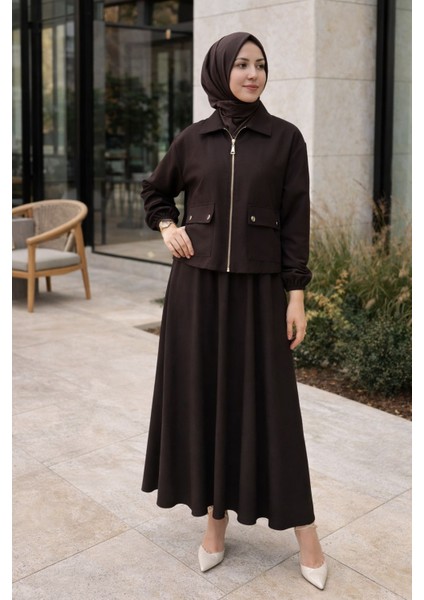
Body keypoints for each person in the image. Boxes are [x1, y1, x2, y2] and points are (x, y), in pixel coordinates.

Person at [141, 31, 328, 590]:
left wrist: (296, 295)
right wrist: (168, 225)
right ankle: (215, 523)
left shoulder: (285, 139)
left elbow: (296, 222)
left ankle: (307, 534)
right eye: (242, 64)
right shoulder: (193, 139)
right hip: (195, 293)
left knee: (273, 410)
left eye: (260, 65)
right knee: (207, 402)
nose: (252, 73)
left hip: (258, 293)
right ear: (221, 70)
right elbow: (156, 192)